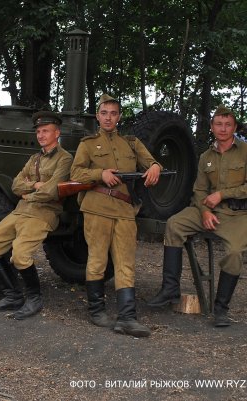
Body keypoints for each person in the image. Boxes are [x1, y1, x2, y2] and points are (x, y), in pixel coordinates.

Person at [148, 105, 247, 327]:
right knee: (174, 224)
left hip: (238, 214)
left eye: (228, 124)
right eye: (218, 124)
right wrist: (205, 211)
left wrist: (221, 194)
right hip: (209, 209)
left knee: (234, 253)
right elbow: (199, 190)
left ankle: (221, 308)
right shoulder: (205, 157)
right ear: (212, 127)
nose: (223, 129)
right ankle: (170, 290)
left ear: (234, 127)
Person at [70, 94, 161, 337]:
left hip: (124, 209)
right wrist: (101, 174)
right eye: (104, 113)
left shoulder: (131, 143)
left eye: (113, 113)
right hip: (97, 206)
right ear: (98, 116)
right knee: (98, 260)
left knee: (125, 262)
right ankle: (97, 310)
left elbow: (152, 163)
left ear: (119, 117)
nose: (108, 117)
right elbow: (76, 172)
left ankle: (127, 318)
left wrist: (154, 167)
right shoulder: (87, 144)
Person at [0, 111, 73, 320]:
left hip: (44, 213)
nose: (41, 135)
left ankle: (34, 298)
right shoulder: (34, 159)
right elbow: (15, 184)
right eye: (38, 131)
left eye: (45, 131)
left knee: (20, 255)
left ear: (57, 133)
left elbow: (52, 191)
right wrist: (35, 185)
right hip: (21, 211)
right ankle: (12, 294)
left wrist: (29, 192)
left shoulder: (65, 158)